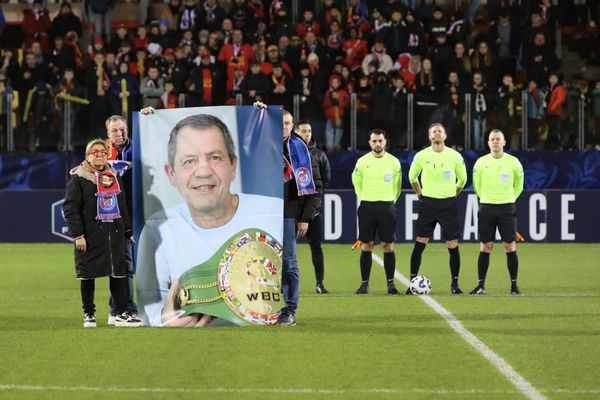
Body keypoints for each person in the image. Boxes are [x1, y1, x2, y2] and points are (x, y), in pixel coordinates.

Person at [136, 112, 282, 327]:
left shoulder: (275, 212)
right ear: (171, 174)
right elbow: (147, 310)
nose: (203, 171)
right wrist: (165, 319)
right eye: (189, 161)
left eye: (215, 157)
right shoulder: (159, 227)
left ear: (233, 166)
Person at [63, 139, 141, 328]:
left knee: (118, 274)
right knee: (88, 275)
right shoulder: (78, 178)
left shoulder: (114, 175)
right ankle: (89, 314)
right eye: (94, 152)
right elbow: (71, 208)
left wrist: (128, 230)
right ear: (87, 156)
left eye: (102, 152)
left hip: (114, 232)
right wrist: (78, 235)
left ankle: (121, 313)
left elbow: (122, 205)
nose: (99, 155)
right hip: (90, 235)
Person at [408, 123, 467, 294]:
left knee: (452, 244)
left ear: (445, 136)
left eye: (440, 130)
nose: (437, 133)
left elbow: (462, 180)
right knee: (420, 242)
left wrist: (452, 194)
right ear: (429, 137)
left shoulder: (455, 156)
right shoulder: (421, 156)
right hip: (428, 204)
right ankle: (412, 283)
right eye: (434, 131)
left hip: (447, 204)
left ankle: (455, 285)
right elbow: (412, 177)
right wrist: (420, 195)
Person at [470, 129, 524, 295]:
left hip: (506, 207)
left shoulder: (514, 163)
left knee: (509, 246)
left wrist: (508, 199)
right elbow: (476, 186)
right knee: (485, 246)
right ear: (488, 143)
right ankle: (481, 286)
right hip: (487, 207)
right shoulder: (480, 163)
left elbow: (519, 186)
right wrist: (487, 198)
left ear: (504, 142)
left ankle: (514, 286)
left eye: (498, 139)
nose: (495, 142)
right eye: (492, 139)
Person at [280, 109, 319, 325]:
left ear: (292, 126)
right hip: (264, 211)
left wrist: (305, 218)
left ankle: (289, 309)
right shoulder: (263, 145)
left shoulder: (300, 150)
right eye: (281, 123)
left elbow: (314, 189)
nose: (284, 127)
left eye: (287, 123)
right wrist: (255, 114)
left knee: (288, 262)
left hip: (289, 212)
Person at [352, 129, 402, 295]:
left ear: (385, 141)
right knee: (367, 245)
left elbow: (397, 187)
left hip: (387, 206)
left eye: (380, 141)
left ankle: (391, 284)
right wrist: (367, 196)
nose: (377, 144)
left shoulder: (394, 162)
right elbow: (357, 183)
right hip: (367, 206)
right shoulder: (362, 162)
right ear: (369, 143)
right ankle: (364, 284)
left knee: (387, 245)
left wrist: (388, 201)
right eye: (374, 141)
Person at [104, 115, 139, 325]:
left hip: (137, 213)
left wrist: (151, 118)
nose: (120, 134)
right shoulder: (100, 153)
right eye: (115, 131)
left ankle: (116, 308)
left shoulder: (139, 147)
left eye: (122, 129)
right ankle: (126, 309)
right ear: (108, 134)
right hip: (113, 216)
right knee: (123, 264)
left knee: (127, 264)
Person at [296, 120, 331, 294]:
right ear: (296, 132)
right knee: (285, 249)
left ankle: (320, 283)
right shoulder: (289, 153)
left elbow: (325, 180)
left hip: (313, 211)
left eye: (309, 131)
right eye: (303, 131)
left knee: (316, 246)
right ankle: (281, 284)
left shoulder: (319, 155)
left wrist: (314, 205)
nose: (307, 134)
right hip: (293, 211)